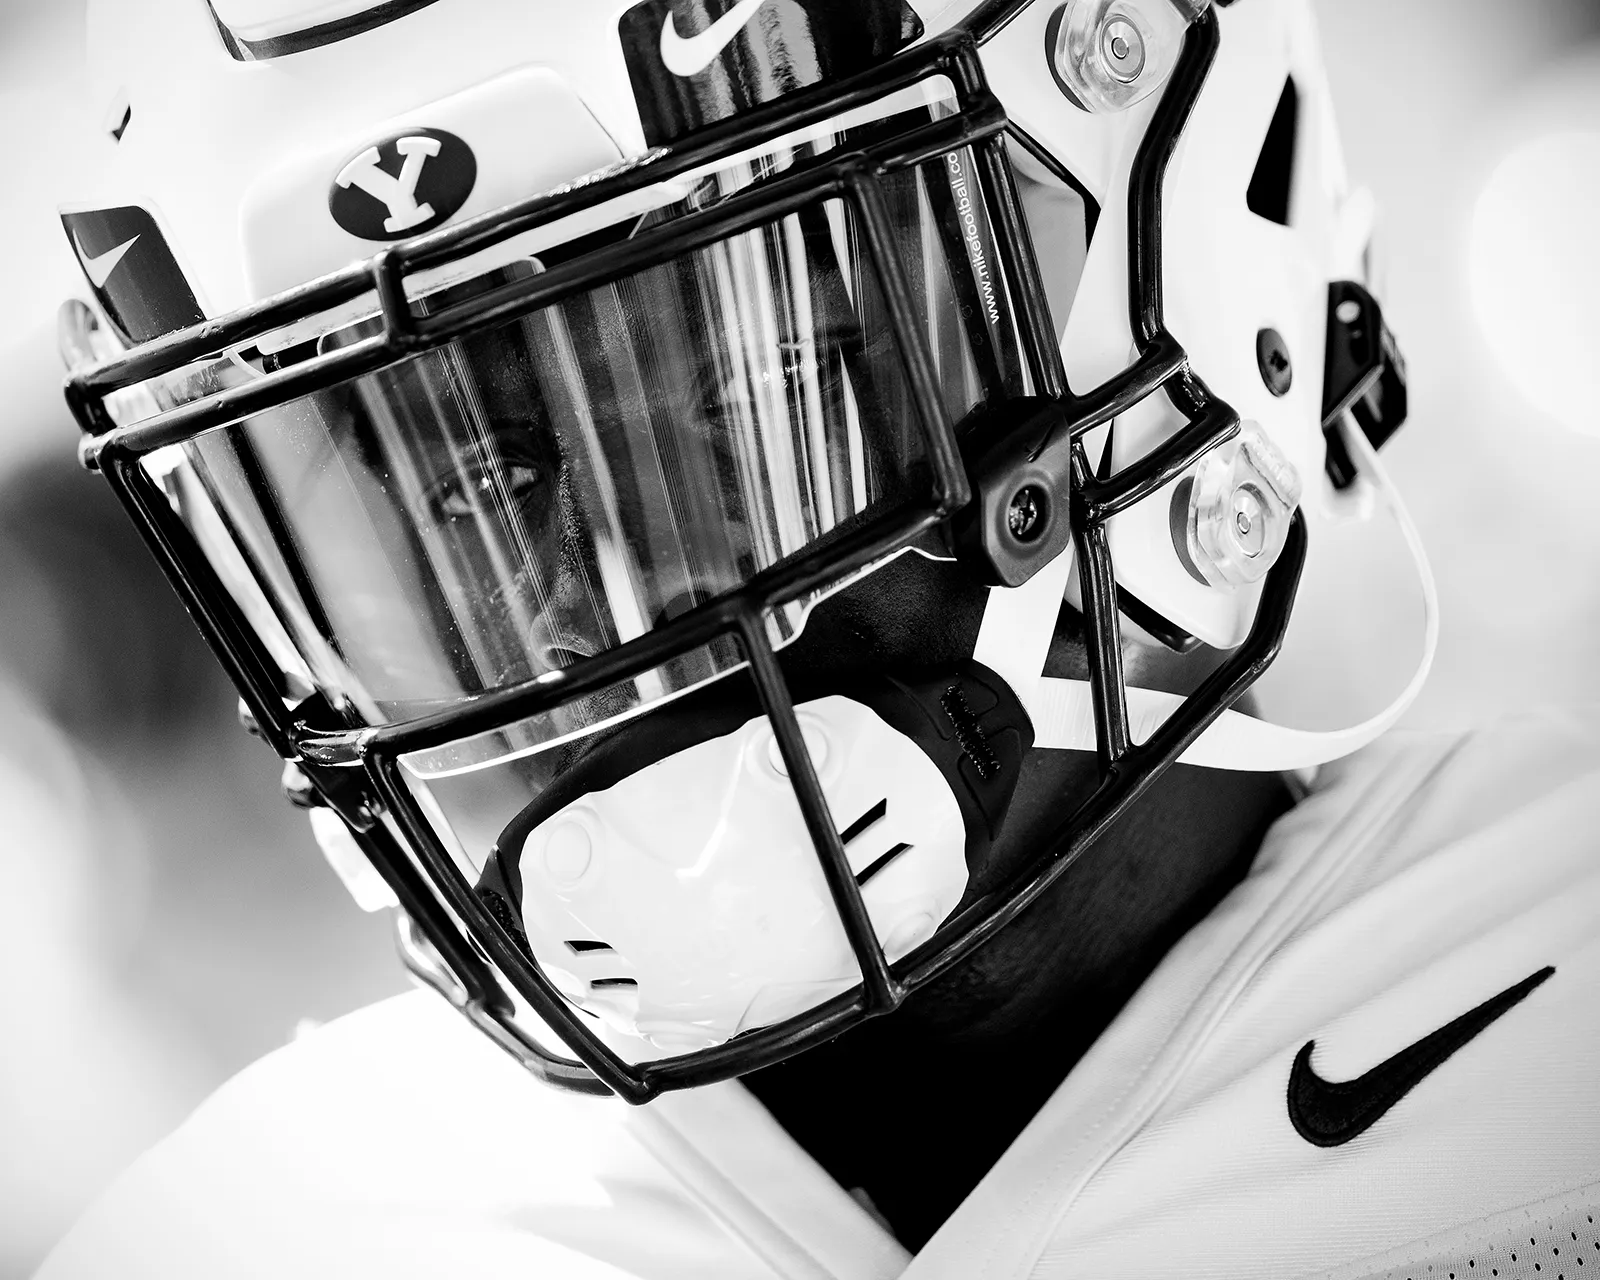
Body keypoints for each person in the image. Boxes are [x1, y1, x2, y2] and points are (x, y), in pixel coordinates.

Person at [37, 0, 1600, 1275]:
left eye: (768, 383)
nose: (629, 606)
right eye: (477, 488)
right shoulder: (270, 1237)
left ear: (1179, 266)